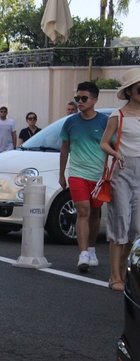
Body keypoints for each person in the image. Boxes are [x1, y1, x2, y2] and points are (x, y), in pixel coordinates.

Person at [59, 81, 109, 272]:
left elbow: (112, 146)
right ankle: (83, 254)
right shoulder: (70, 121)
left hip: (98, 177)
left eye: (84, 98)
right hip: (77, 174)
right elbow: (64, 148)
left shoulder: (104, 121)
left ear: (95, 100)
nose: (79, 102)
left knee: (95, 213)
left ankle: (91, 248)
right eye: (77, 98)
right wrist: (62, 174)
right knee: (83, 211)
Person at [99, 68, 140, 290]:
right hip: (122, 172)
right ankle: (115, 275)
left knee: (137, 228)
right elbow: (104, 142)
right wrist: (115, 152)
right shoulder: (118, 115)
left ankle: (125, 265)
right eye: (139, 88)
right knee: (120, 223)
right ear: (129, 91)